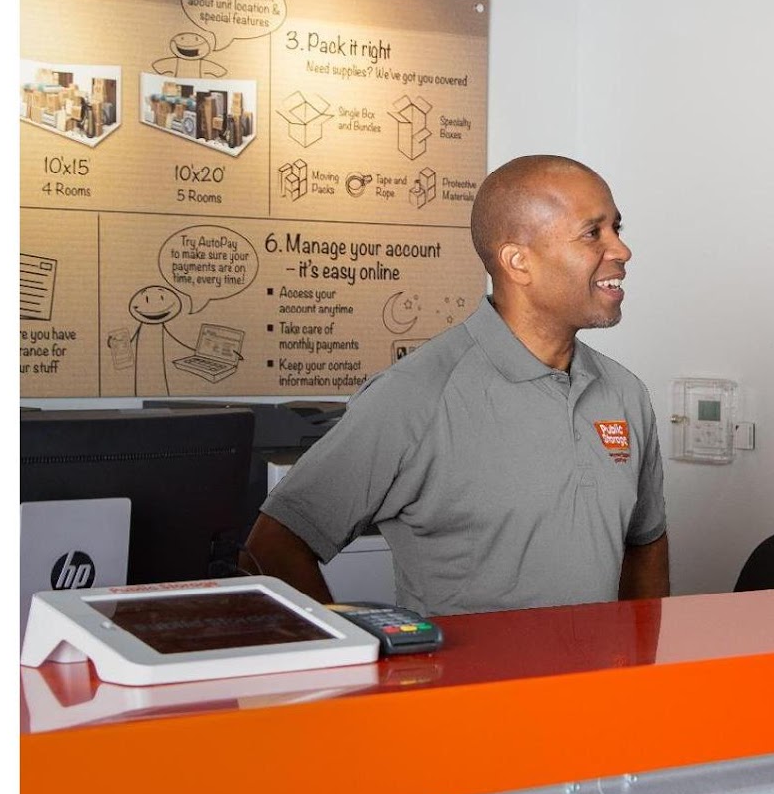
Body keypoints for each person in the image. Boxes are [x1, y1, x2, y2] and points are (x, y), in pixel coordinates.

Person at [242, 155, 670, 615]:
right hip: (464, 667)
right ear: (518, 262)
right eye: (593, 233)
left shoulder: (624, 392)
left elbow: (646, 541)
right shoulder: (412, 395)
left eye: (616, 229)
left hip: (604, 667)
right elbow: (271, 547)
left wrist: (641, 653)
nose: (621, 250)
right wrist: (356, 648)